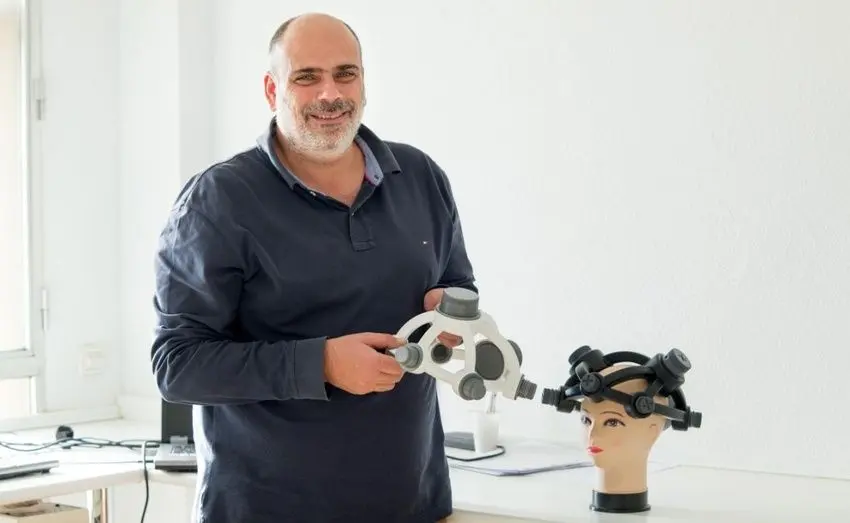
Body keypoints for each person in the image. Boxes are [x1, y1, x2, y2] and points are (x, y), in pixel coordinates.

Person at [150, 11, 477, 523]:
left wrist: (453, 315)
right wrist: (320, 364)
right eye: (307, 77)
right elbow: (177, 365)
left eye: (346, 74)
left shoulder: (420, 176)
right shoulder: (218, 201)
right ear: (271, 89)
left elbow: (458, 285)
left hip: (412, 503)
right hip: (267, 511)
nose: (331, 94)